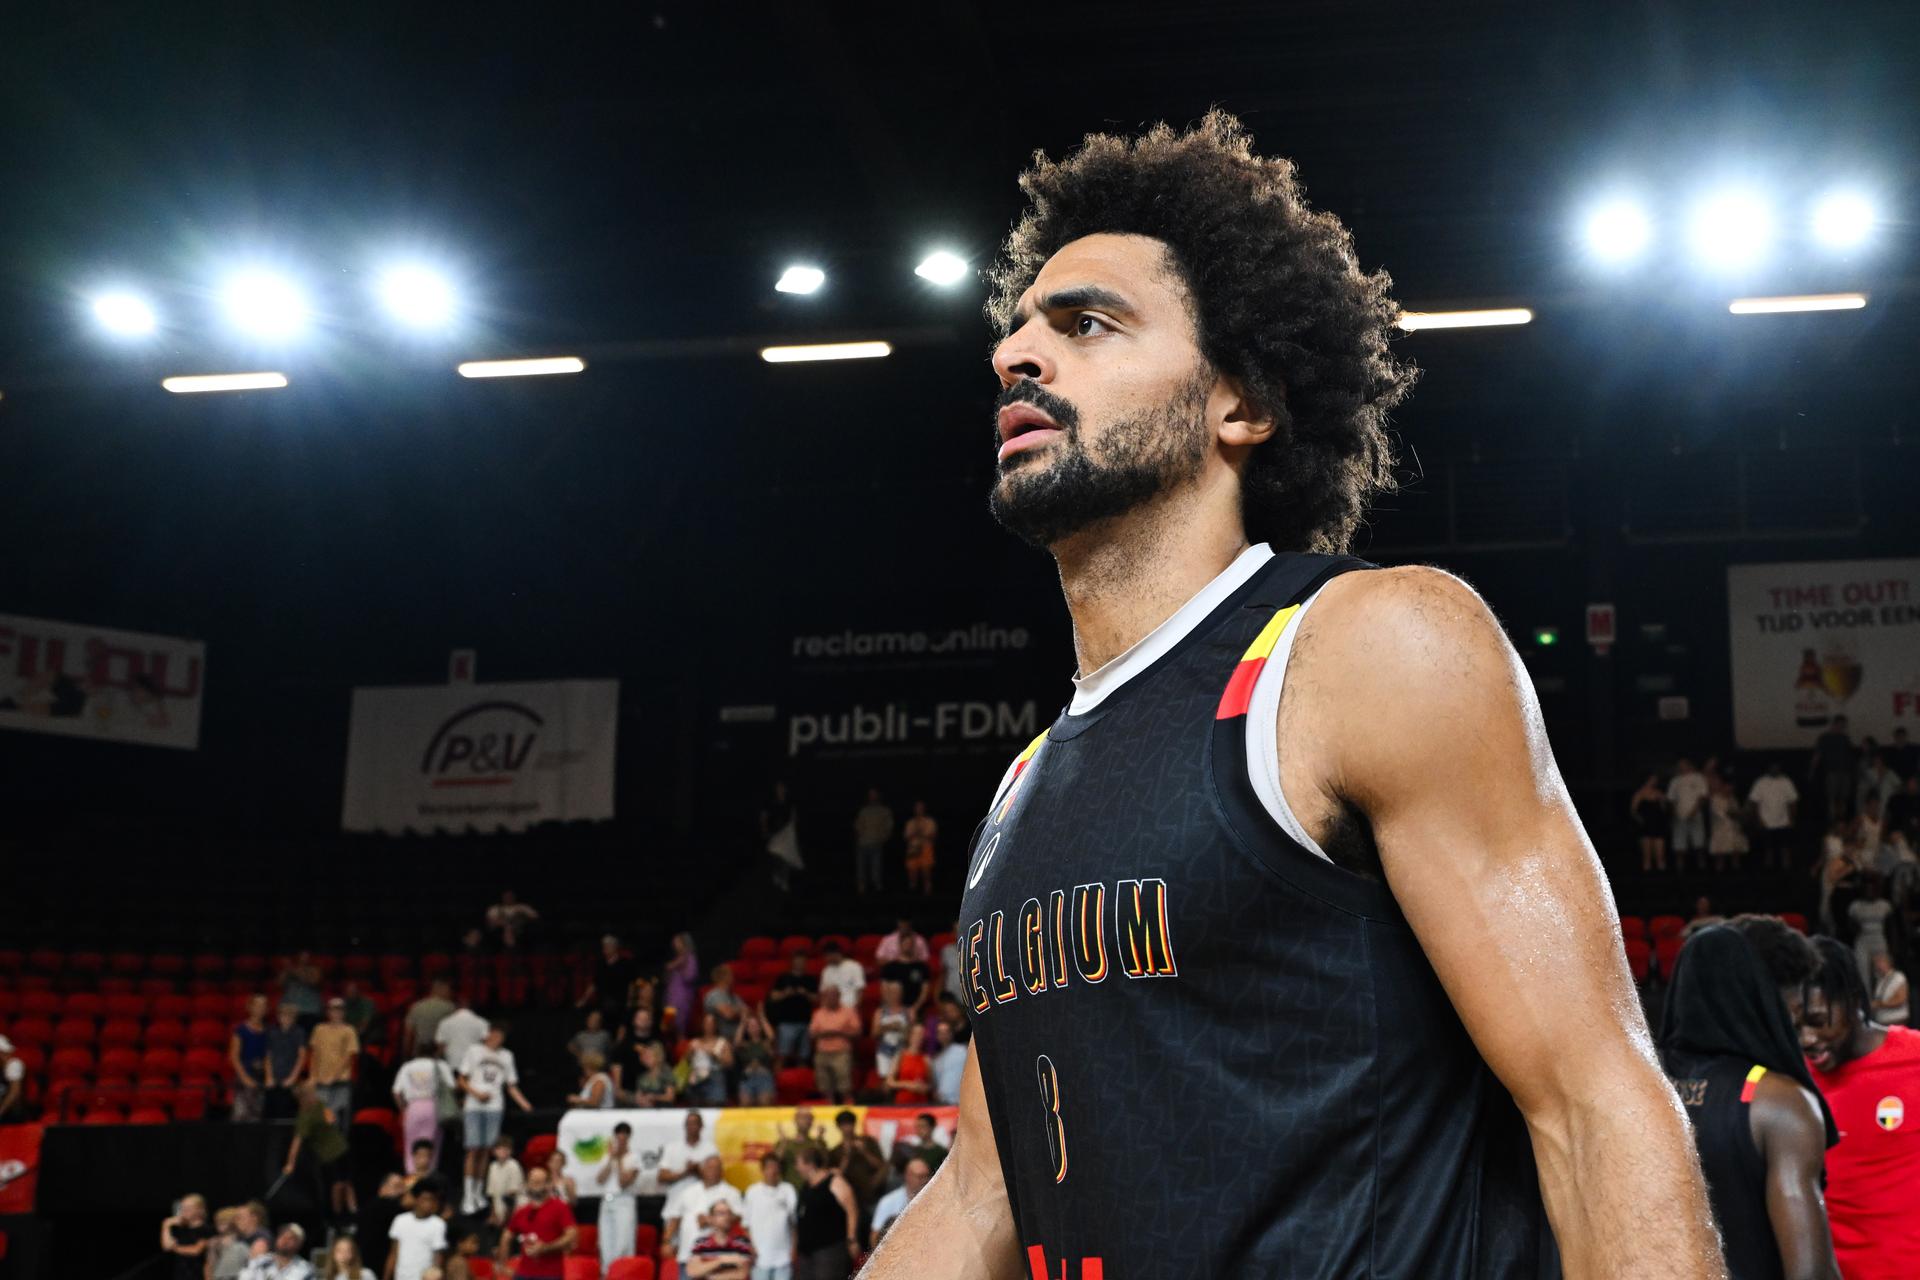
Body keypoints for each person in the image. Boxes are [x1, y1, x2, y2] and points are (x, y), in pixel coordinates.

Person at [866, 111, 1717, 1277]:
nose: (1017, 354)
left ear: (1242, 405)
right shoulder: (1023, 787)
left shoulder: (1364, 648)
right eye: (1019, 328)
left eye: (1087, 324)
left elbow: (1597, 1106)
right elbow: (980, 1197)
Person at [1659, 923, 1841, 1280]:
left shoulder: (1640, 1083)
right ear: (1767, 1001)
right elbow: (1810, 1273)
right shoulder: (1778, 1103)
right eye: (1791, 1008)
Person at [1784, 936, 1920, 1277]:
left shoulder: (1915, 1060)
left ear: (1854, 1000)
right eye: (1796, 1026)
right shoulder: (1787, 1083)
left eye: (1818, 1020)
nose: (1807, 1039)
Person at [457, 1025, 533, 1216]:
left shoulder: (507, 1056)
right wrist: (476, 1093)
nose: (498, 1038)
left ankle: (478, 1193)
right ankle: (467, 1195)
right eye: (495, 1034)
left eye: (502, 1035)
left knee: (486, 1150)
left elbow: (511, 1085)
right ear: (488, 1034)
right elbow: (462, 1079)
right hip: (474, 1105)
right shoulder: (474, 1051)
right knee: (473, 1148)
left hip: (495, 1106)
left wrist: (524, 1104)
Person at [286, 1082, 358, 1226]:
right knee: (337, 1185)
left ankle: (354, 1213)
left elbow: (329, 1116)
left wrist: (330, 1117)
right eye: (311, 1094)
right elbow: (296, 1142)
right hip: (329, 1155)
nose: (314, 1096)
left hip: (342, 1148)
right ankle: (338, 1216)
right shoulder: (304, 1118)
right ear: (303, 1098)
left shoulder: (319, 1104)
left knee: (347, 1183)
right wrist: (290, 1163)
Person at [669, 1157, 747, 1273]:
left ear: (722, 1172)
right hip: (687, 1255)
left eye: (717, 1168)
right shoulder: (688, 1191)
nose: (713, 1171)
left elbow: (738, 1217)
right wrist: (666, 1241)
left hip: (715, 1258)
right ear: (702, 1170)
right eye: (709, 1167)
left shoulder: (731, 1192)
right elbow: (675, 1217)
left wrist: (711, 1221)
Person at [498, 1166, 576, 1280]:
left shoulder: (560, 1207)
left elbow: (572, 1234)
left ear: (548, 1184)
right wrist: (502, 1264)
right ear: (527, 1184)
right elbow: (506, 1236)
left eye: (539, 1182)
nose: (535, 1185)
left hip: (550, 1274)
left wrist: (546, 1247)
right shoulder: (521, 1211)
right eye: (532, 1182)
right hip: (523, 1274)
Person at [792, 1146, 857, 1280]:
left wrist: (851, 1239)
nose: (796, 1168)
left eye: (798, 1163)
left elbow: (852, 1209)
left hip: (829, 1251)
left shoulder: (834, 1182)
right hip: (806, 1252)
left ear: (809, 1164)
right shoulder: (806, 1185)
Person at [826, 1110, 886, 1242]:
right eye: (844, 1125)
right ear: (838, 1127)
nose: (847, 1128)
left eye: (850, 1124)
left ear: (855, 1125)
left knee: (876, 1236)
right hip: (849, 1202)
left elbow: (881, 1166)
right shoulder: (835, 1152)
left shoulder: (869, 1142)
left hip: (872, 1197)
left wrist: (864, 1152)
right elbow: (835, 1177)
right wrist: (846, 1157)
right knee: (854, 1238)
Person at [594, 1121, 641, 1275]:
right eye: (618, 1138)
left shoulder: (634, 1158)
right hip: (606, 1201)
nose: (620, 1141)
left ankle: (623, 1274)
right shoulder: (607, 1156)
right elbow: (600, 1180)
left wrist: (620, 1160)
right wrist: (611, 1159)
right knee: (606, 1243)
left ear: (628, 1138)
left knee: (623, 1242)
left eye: (623, 1138)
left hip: (624, 1201)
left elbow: (623, 1182)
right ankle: (607, 1274)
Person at [309, 997, 361, 1137]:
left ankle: (337, 1153)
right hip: (320, 1081)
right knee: (321, 1118)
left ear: (343, 1012)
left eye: (339, 1010)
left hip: (340, 1082)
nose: (336, 1013)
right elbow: (315, 1054)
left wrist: (334, 1076)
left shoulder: (349, 1030)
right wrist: (312, 1076)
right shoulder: (319, 1029)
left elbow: (349, 1057)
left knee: (338, 1120)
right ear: (328, 1011)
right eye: (333, 1009)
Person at [392, 1054, 454, 1169]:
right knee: (432, 1145)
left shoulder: (407, 1066)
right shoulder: (440, 1065)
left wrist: (404, 1109)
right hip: (433, 1106)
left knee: (411, 1145)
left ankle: (411, 1175)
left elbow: (396, 1092)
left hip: (413, 1107)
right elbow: (451, 1086)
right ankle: (429, 1176)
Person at [744, 1152, 799, 1280]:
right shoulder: (752, 1192)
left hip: (784, 1258)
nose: (773, 1170)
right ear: (762, 1170)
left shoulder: (788, 1190)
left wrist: (794, 1249)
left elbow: (794, 1225)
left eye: (776, 1167)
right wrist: (750, 1248)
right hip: (759, 1258)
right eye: (769, 1167)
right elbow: (746, 1226)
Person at [385, 1182, 448, 1280]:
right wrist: (386, 1277)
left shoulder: (438, 1224)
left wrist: (437, 1275)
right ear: (416, 1200)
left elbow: (438, 1257)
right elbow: (393, 1253)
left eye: (432, 1200)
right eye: (426, 1199)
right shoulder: (400, 1220)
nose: (429, 1203)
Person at [807, 987, 860, 1104]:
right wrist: (824, 1033)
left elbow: (857, 1032)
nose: (830, 999)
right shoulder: (818, 1013)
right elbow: (811, 1034)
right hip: (822, 1053)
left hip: (841, 1052)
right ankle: (829, 1106)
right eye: (828, 996)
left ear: (839, 996)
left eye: (833, 996)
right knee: (825, 1086)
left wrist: (839, 1033)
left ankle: (848, 1107)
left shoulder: (848, 1012)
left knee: (844, 1085)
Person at [767, 952, 819, 1068]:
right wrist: (786, 993)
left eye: (802, 961)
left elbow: (817, 999)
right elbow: (773, 997)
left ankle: (801, 1080)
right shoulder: (783, 978)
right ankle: (777, 1081)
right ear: (792, 962)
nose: (800, 963)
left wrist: (805, 993)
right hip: (786, 1022)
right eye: (797, 961)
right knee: (782, 1055)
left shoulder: (810, 979)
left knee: (803, 1056)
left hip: (805, 1022)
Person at [659, 1111, 720, 1207]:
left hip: (703, 1203)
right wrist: (685, 1172)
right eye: (688, 1123)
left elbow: (717, 1178)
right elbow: (661, 1177)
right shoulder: (672, 1148)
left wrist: (698, 1170)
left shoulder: (711, 1149)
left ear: (701, 1126)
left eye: (694, 1123)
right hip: (676, 1201)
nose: (691, 1127)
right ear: (684, 1126)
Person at [1748, 762, 1801, 872]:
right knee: (1768, 850)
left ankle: (1787, 873)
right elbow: (1754, 802)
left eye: (1777, 767)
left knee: (1785, 848)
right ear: (1768, 768)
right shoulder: (1761, 782)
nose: (1775, 769)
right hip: (1766, 821)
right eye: (1773, 767)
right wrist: (1758, 820)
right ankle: (1769, 873)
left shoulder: (1786, 781)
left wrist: (1792, 818)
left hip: (1784, 821)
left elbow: (1793, 801)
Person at [870, 1158, 933, 1248]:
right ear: (907, 1176)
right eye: (920, 1176)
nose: (925, 1180)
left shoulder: (933, 1197)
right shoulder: (888, 1202)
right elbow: (874, 1237)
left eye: (927, 1176)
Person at [577, 935, 639, 1027]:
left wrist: (629, 1001)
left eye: (608, 946)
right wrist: (584, 999)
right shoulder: (600, 964)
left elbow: (631, 984)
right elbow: (594, 983)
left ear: (615, 948)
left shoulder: (625, 964)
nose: (605, 949)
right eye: (604, 946)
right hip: (603, 1003)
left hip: (620, 1004)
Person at [263, 1001, 309, 1120]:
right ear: (278, 1016)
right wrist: (268, 1076)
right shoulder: (272, 1031)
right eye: (283, 1015)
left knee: (287, 1116)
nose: (286, 1018)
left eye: (290, 1015)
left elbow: (302, 1056)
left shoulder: (299, 1032)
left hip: (290, 1079)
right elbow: (268, 1055)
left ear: (294, 1018)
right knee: (270, 1115)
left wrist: (292, 1078)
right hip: (273, 1079)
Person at [688, 1199, 755, 1279]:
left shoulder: (741, 1242)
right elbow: (693, 1272)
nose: (726, 1217)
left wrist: (709, 1275)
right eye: (721, 1213)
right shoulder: (701, 1243)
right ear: (711, 1218)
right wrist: (721, 1261)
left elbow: (741, 1275)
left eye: (729, 1213)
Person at [229, 995, 272, 1122]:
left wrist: (268, 1076)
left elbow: (268, 1056)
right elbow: (234, 1056)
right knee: (241, 1114)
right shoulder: (240, 1030)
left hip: (261, 1076)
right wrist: (245, 1078)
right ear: (250, 1007)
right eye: (257, 1005)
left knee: (257, 1115)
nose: (260, 1009)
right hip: (245, 1075)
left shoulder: (268, 1031)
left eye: (264, 1006)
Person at [874, 920, 932, 1009]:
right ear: (900, 945)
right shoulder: (889, 967)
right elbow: (884, 991)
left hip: (915, 1009)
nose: (908, 946)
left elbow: (924, 993)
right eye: (905, 943)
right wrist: (895, 1010)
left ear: (913, 946)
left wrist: (914, 1008)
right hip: (893, 1009)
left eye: (910, 944)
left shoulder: (922, 967)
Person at [611, 1006, 667, 1098]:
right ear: (633, 1021)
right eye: (640, 1018)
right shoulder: (624, 1043)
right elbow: (616, 1066)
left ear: (651, 1021)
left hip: (653, 1091)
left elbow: (662, 1064)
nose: (643, 1020)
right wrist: (618, 1088)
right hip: (628, 1091)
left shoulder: (657, 1041)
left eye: (646, 1018)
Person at [1811, 716, 1858, 824]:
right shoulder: (1824, 737)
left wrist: (1852, 772)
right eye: (1841, 725)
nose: (1842, 728)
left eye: (1844, 726)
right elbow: (1817, 755)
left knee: (1843, 798)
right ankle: (1832, 822)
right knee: (1832, 799)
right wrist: (1812, 769)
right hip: (1832, 772)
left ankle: (1842, 821)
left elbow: (1850, 755)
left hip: (1845, 772)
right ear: (1835, 724)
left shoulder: (1845, 738)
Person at [1668, 758, 1712, 873]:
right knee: (1679, 844)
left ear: (1688, 765)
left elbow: (1703, 796)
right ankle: (1680, 868)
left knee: (1699, 842)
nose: (1681, 767)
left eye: (1683, 764)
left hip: (1695, 814)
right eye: (1679, 765)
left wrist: (1695, 810)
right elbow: (1671, 799)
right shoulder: (1675, 780)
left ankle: (1702, 868)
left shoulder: (1698, 777)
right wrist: (1674, 813)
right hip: (1680, 815)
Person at [1849, 876, 1895, 983]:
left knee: (1882, 974)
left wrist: (1892, 948)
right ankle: (1866, 998)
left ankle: (1882, 999)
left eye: (1872, 887)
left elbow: (1891, 929)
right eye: (1866, 887)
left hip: (1879, 940)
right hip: (1862, 941)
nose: (1869, 890)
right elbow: (1850, 927)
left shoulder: (1885, 906)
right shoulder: (1855, 906)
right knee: (1862, 973)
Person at [160, 1192, 215, 1280]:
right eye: (182, 1208)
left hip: (198, 1275)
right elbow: (166, 1246)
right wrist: (166, 1225)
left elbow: (195, 1250)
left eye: (188, 1208)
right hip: (180, 1275)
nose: (184, 1211)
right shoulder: (180, 1230)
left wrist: (174, 1247)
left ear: (199, 1209)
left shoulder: (208, 1230)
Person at [685, 1012, 735, 1106]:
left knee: (714, 1104)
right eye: (706, 1023)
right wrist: (690, 1052)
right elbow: (687, 1062)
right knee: (695, 1105)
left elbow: (730, 1063)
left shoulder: (722, 1042)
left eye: (711, 1023)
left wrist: (715, 1055)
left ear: (716, 1025)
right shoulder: (695, 1042)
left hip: (715, 1076)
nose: (709, 1026)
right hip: (696, 1077)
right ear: (702, 1025)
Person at [853, 788, 895, 895]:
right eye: (870, 794)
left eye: (874, 794)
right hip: (863, 842)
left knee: (876, 866)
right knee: (861, 866)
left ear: (878, 796)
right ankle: (861, 884)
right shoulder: (864, 810)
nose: (872, 796)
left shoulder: (884, 810)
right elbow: (858, 824)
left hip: (876, 842)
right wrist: (858, 835)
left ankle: (877, 885)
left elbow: (889, 826)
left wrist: (883, 838)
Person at [771, 1107, 824, 1188]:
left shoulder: (817, 1143)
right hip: (788, 1191)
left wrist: (819, 1140)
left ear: (812, 1122)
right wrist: (783, 1144)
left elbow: (824, 1165)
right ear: (795, 1120)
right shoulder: (785, 1143)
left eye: (809, 1118)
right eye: (802, 1117)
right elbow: (773, 1165)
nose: (805, 1121)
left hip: (812, 1190)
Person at [403, 980, 457, 1060]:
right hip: (440, 1057)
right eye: (449, 990)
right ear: (441, 989)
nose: (451, 993)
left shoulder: (416, 1007)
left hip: (419, 1056)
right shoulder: (450, 1008)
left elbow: (408, 1034)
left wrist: (406, 1056)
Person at [1708, 772, 1750, 873]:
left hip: (1734, 829)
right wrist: (1739, 813)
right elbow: (1726, 813)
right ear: (1723, 786)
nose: (1730, 789)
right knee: (1720, 859)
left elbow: (1737, 813)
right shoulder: (1715, 799)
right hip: (1720, 830)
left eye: (1732, 787)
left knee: (1736, 857)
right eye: (1729, 787)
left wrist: (1741, 813)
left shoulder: (1733, 798)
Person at [735, 1010, 778, 1106]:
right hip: (747, 1077)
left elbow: (771, 1036)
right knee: (745, 1104)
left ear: (760, 1028)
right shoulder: (744, 1045)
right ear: (747, 1029)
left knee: (764, 1103)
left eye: (756, 1025)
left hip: (763, 1076)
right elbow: (737, 1041)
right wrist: (742, 1022)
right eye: (750, 1026)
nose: (753, 1028)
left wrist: (762, 1018)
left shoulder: (765, 1044)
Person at [1630, 773, 1671, 873]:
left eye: (1655, 780)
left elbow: (1665, 809)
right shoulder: (1640, 793)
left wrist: (1663, 802)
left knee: (1660, 856)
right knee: (1647, 857)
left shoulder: (1658, 793)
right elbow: (1633, 810)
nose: (1654, 781)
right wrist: (1641, 820)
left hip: (1658, 824)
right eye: (1652, 779)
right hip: (1646, 826)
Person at [434, 1001, 489, 1073]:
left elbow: (440, 1044)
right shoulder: (482, 1022)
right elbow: (486, 1042)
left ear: (455, 1007)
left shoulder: (445, 1022)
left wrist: (437, 1060)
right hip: (473, 1062)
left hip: (452, 1061)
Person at [243, 1225, 314, 1280]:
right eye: (282, 1236)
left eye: (290, 1238)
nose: (285, 1240)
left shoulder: (305, 1269)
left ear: (299, 1244)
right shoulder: (259, 1262)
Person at [484, 1136, 526, 1228]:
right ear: (494, 1151)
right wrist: (493, 1215)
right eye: (499, 1148)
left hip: (514, 1211)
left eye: (506, 1148)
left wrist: (507, 1219)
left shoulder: (514, 1166)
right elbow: (492, 1193)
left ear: (511, 1151)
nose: (503, 1151)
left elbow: (512, 1195)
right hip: (500, 1211)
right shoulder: (493, 1166)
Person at [664, 932, 700, 1036]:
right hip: (670, 998)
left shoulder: (690, 958)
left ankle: (680, 1046)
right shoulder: (677, 958)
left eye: (677, 942)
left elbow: (690, 977)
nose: (674, 944)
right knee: (667, 1025)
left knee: (679, 1026)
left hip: (682, 999)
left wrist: (680, 966)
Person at [279, 951, 325, 1029]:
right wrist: (286, 970)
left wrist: (292, 970)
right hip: (290, 1011)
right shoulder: (289, 970)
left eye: (306, 956)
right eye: (302, 955)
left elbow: (313, 981)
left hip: (310, 1012)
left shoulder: (315, 970)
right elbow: (279, 983)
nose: (304, 958)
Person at [901, 800, 937, 897]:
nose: (919, 810)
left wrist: (919, 834)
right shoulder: (910, 823)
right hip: (912, 850)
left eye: (920, 807)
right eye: (917, 808)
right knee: (912, 875)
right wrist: (918, 834)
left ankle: (928, 894)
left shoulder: (929, 821)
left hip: (926, 849)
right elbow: (906, 836)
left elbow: (932, 835)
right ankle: (913, 895)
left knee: (926, 873)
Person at [816, 942, 865, 1014]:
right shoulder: (826, 971)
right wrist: (824, 1011)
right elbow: (823, 994)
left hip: (850, 1007)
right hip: (832, 1010)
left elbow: (860, 990)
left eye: (827, 956)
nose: (825, 959)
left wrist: (856, 1009)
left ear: (835, 954)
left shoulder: (854, 966)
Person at [705, 964, 748, 1041]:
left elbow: (748, 1012)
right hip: (722, 1040)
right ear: (723, 977)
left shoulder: (735, 997)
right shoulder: (714, 995)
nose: (733, 978)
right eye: (730, 975)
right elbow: (728, 1014)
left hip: (741, 1036)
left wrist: (736, 1010)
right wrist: (741, 1010)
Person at [928, 1021, 966, 1106]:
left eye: (946, 1031)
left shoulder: (963, 1050)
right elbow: (935, 1084)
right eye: (940, 1032)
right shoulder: (936, 1059)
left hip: (960, 1102)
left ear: (951, 1033)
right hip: (943, 1104)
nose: (943, 1035)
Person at [627, 1042, 677, 1106]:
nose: (646, 1059)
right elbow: (638, 1096)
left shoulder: (666, 1073)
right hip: (646, 1112)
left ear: (658, 1057)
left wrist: (654, 1097)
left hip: (664, 1112)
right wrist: (641, 1100)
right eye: (644, 1056)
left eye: (649, 1056)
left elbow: (670, 1097)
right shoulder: (642, 1077)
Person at [1871, 951, 1910, 1027]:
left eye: (1878, 962)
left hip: (1896, 1020)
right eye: (1875, 963)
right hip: (1882, 1021)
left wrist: (1877, 1004)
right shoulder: (1880, 979)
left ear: (1887, 962)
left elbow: (1900, 999)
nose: (1876, 965)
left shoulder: (1898, 977)